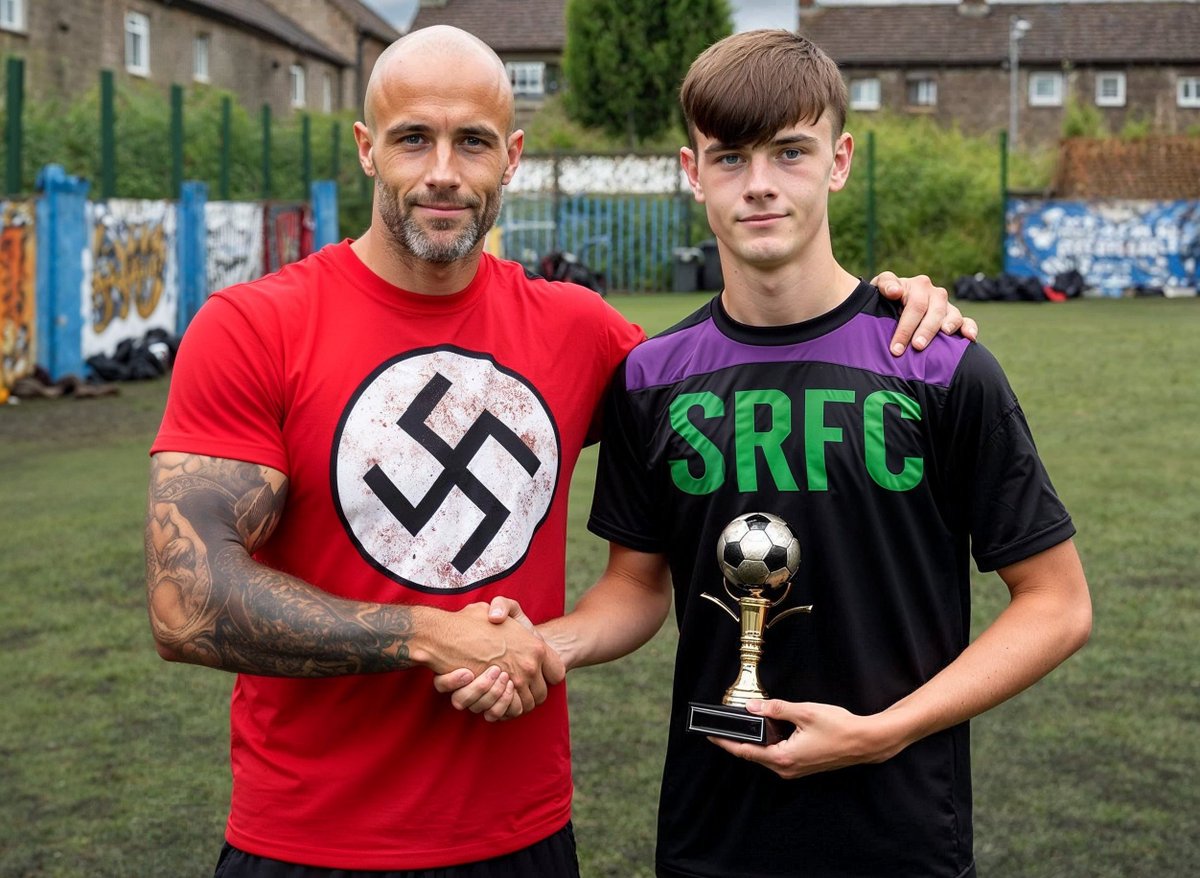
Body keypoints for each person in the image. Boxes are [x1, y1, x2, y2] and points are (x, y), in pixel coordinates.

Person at [144, 25, 974, 878]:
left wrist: (888, 309)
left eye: (471, 142)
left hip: (525, 838)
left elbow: (737, 365)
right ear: (365, 148)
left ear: (512, 157)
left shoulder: (579, 332)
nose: (441, 172)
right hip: (305, 841)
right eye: (412, 139)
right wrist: (427, 635)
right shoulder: (252, 327)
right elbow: (187, 600)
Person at [445, 29, 1092, 878]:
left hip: (899, 836)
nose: (759, 186)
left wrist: (883, 731)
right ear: (691, 171)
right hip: (711, 837)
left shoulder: (938, 365)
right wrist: (546, 644)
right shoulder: (652, 379)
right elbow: (636, 588)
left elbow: (1057, 603)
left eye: (790, 152)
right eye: (730, 158)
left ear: (840, 160)